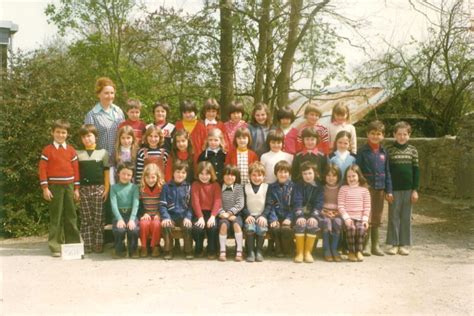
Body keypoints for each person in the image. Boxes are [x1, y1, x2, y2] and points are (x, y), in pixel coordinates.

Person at [39, 119, 81, 257]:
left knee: (71, 215)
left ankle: (73, 244)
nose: (60, 135)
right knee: (56, 216)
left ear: (67, 134)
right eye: (58, 132)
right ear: (52, 133)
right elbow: (42, 170)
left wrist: (76, 188)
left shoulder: (71, 150)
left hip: (69, 186)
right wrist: (45, 187)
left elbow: (76, 170)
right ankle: (55, 246)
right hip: (54, 187)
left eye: (63, 132)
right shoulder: (47, 150)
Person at [356, 120, 393, 256]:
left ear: (383, 136)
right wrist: (362, 184)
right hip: (366, 189)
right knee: (367, 215)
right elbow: (357, 170)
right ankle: (365, 245)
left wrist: (388, 190)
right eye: (372, 133)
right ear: (367, 134)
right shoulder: (362, 151)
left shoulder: (384, 152)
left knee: (377, 216)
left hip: (380, 188)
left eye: (378, 134)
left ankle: (375, 246)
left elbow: (388, 172)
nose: (375, 136)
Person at [385, 121, 420, 255]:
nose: (401, 137)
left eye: (404, 134)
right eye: (399, 134)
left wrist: (415, 190)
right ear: (394, 134)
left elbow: (416, 171)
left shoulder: (413, 150)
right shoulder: (389, 150)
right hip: (394, 189)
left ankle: (404, 244)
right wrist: (388, 190)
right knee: (393, 216)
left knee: (406, 217)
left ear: (409, 135)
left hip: (408, 190)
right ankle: (393, 244)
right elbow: (387, 171)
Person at [77, 124, 110, 254]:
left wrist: (106, 189)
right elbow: (76, 174)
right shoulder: (78, 154)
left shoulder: (103, 153)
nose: (87, 139)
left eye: (89, 136)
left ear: (96, 137)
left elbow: (106, 172)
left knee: (98, 218)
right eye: (84, 137)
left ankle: (98, 243)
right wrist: (77, 189)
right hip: (84, 189)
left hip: (99, 188)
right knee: (86, 218)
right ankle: (88, 244)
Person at [84, 77, 125, 160]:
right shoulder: (92, 115)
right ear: (98, 94)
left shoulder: (119, 111)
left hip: (119, 158)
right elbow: (88, 140)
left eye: (112, 93)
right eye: (106, 93)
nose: (110, 96)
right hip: (101, 159)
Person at [159, 161, 193, 260]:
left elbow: (191, 206)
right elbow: (162, 205)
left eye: (183, 173)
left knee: (187, 226)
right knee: (166, 226)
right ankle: (168, 250)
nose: (180, 175)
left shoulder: (188, 187)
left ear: (186, 174)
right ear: (173, 172)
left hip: (183, 216)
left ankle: (188, 250)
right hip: (171, 216)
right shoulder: (166, 187)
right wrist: (165, 217)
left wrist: (188, 217)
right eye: (178, 172)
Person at [338, 164, 371, 262]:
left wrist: (365, 219)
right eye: (349, 176)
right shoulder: (343, 189)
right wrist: (346, 218)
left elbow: (367, 207)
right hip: (348, 218)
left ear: (359, 176)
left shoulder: (364, 190)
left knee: (361, 229)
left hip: (360, 218)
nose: (351, 178)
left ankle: (358, 251)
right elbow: (341, 206)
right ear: (346, 178)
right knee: (351, 228)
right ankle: (351, 252)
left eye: (353, 176)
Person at [292, 162, 324, 263]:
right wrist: (300, 216)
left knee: (312, 225)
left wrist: (314, 216)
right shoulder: (298, 186)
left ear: (315, 173)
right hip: (300, 214)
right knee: (300, 224)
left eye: (310, 173)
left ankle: (308, 252)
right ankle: (300, 252)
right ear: (301, 174)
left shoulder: (319, 187)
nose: (307, 176)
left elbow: (319, 204)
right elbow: (297, 201)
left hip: (313, 214)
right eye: (305, 174)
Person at [263, 160, 295, 257]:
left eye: (285, 172)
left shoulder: (293, 187)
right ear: (276, 173)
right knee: (275, 228)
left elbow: (295, 205)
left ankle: (286, 248)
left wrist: (289, 218)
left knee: (286, 230)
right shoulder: (271, 187)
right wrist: (273, 218)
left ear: (289, 174)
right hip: (276, 215)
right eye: (280, 172)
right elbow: (270, 204)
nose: (283, 174)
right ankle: (278, 249)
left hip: (288, 217)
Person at [191, 161, 222, 259]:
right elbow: (195, 202)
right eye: (202, 174)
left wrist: (213, 217)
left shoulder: (216, 185)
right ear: (198, 174)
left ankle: (211, 249)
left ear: (211, 174)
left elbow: (217, 201)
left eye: (207, 174)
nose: (204, 176)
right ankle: (199, 248)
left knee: (213, 227)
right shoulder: (195, 184)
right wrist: (200, 217)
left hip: (211, 213)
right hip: (199, 212)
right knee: (197, 228)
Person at [110, 162, 140, 258]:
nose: (125, 176)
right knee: (120, 230)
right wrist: (119, 218)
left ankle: (133, 249)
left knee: (134, 229)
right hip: (119, 215)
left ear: (132, 176)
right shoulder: (114, 188)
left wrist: (132, 219)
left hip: (131, 214)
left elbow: (136, 204)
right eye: (123, 173)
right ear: (118, 173)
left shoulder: (134, 188)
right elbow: (113, 204)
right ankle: (120, 249)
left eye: (129, 175)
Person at [242, 162, 269, 262]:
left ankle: (259, 251)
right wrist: (247, 215)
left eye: (259, 175)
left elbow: (269, 204)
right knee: (250, 228)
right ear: (249, 176)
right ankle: (250, 251)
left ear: (264, 176)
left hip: (261, 215)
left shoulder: (266, 187)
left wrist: (264, 216)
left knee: (261, 229)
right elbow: (243, 205)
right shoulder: (245, 187)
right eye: (254, 175)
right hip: (250, 215)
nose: (256, 178)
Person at [218, 165, 245, 262]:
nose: (229, 177)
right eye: (227, 175)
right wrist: (222, 214)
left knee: (237, 225)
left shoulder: (239, 187)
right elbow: (217, 202)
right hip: (222, 214)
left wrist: (229, 213)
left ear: (236, 177)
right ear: (223, 176)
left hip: (235, 214)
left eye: (232, 175)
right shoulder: (219, 187)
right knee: (223, 225)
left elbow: (240, 203)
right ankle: (222, 251)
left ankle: (239, 251)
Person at [138, 163, 164, 258]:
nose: (150, 180)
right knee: (143, 224)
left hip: (157, 214)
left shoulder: (162, 188)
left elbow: (164, 203)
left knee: (156, 224)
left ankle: (155, 246)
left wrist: (159, 213)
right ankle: (144, 246)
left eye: (153, 177)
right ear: (144, 178)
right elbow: (139, 204)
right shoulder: (141, 189)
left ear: (158, 177)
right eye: (148, 177)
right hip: (146, 214)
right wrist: (143, 213)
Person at [321, 164, 343, 262]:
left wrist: (337, 213)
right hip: (323, 213)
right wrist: (324, 212)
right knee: (326, 222)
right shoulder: (321, 188)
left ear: (338, 177)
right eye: (328, 175)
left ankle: (334, 249)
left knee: (337, 222)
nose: (331, 178)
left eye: (334, 176)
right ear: (324, 176)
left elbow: (343, 203)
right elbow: (318, 203)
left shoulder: (340, 189)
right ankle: (326, 249)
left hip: (337, 213)